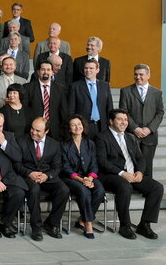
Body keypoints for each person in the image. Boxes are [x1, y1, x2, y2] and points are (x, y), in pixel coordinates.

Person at [95, 109, 164, 240]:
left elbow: (141, 158)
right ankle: (124, 225)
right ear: (111, 121)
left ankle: (144, 224)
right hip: (111, 175)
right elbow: (102, 161)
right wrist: (122, 173)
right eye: (120, 119)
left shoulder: (130, 137)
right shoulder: (101, 137)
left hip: (133, 174)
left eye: (126, 119)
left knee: (157, 188)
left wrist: (139, 172)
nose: (124, 122)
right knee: (125, 186)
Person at [15, 117, 69, 241]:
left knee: (64, 190)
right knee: (34, 190)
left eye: (38, 131)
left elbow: (57, 166)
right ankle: (36, 227)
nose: (34, 132)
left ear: (46, 131)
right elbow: (16, 164)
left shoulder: (54, 144)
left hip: (47, 176)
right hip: (28, 176)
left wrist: (47, 175)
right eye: (32, 129)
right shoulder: (21, 141)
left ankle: (52, 224)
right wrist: (30, 173)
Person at [61, 115, 105, 239]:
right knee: (83, 191)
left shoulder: (89, 143)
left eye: (79, 124)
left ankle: (82, 219)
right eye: (73, 125)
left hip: (88, 177)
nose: (77, 127)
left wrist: (90, 178)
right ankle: (88, 224)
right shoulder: (64, 145)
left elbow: (94, 164)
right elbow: (65, 167)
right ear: (69, 129)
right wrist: (81, 180)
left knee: (100, 190)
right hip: (70, 178)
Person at [119, 64, 164, 177]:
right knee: (131, 164)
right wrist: (135, 128)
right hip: (131, 135)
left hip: (150, 136)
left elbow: (160, 112)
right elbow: (123, 112)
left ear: (148, 75)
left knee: (147, 165)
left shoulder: (157, 93)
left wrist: (149, 129)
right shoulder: (126, 91)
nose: (138, 77)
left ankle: (147, 189)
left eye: (141, 74)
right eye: (135, 74)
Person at [23, 61, 68, 140]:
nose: (45, 72)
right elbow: (25, 109)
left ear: (52, 72)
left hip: (54, 129)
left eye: (48, 70)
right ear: (38, 72)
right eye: (43, 69)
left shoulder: (60, 89)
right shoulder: (28, 88)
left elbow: (63, 111)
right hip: (35, 129)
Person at [68, 59, 113, 138]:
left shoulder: (105, 86)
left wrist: (109, 124)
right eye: (86, 68)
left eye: (91, 68)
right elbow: (71, 109)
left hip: (102, 126)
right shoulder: (75, 86)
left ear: (97, 70)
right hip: (83, 127)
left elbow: (109, 107)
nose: (88, 70)